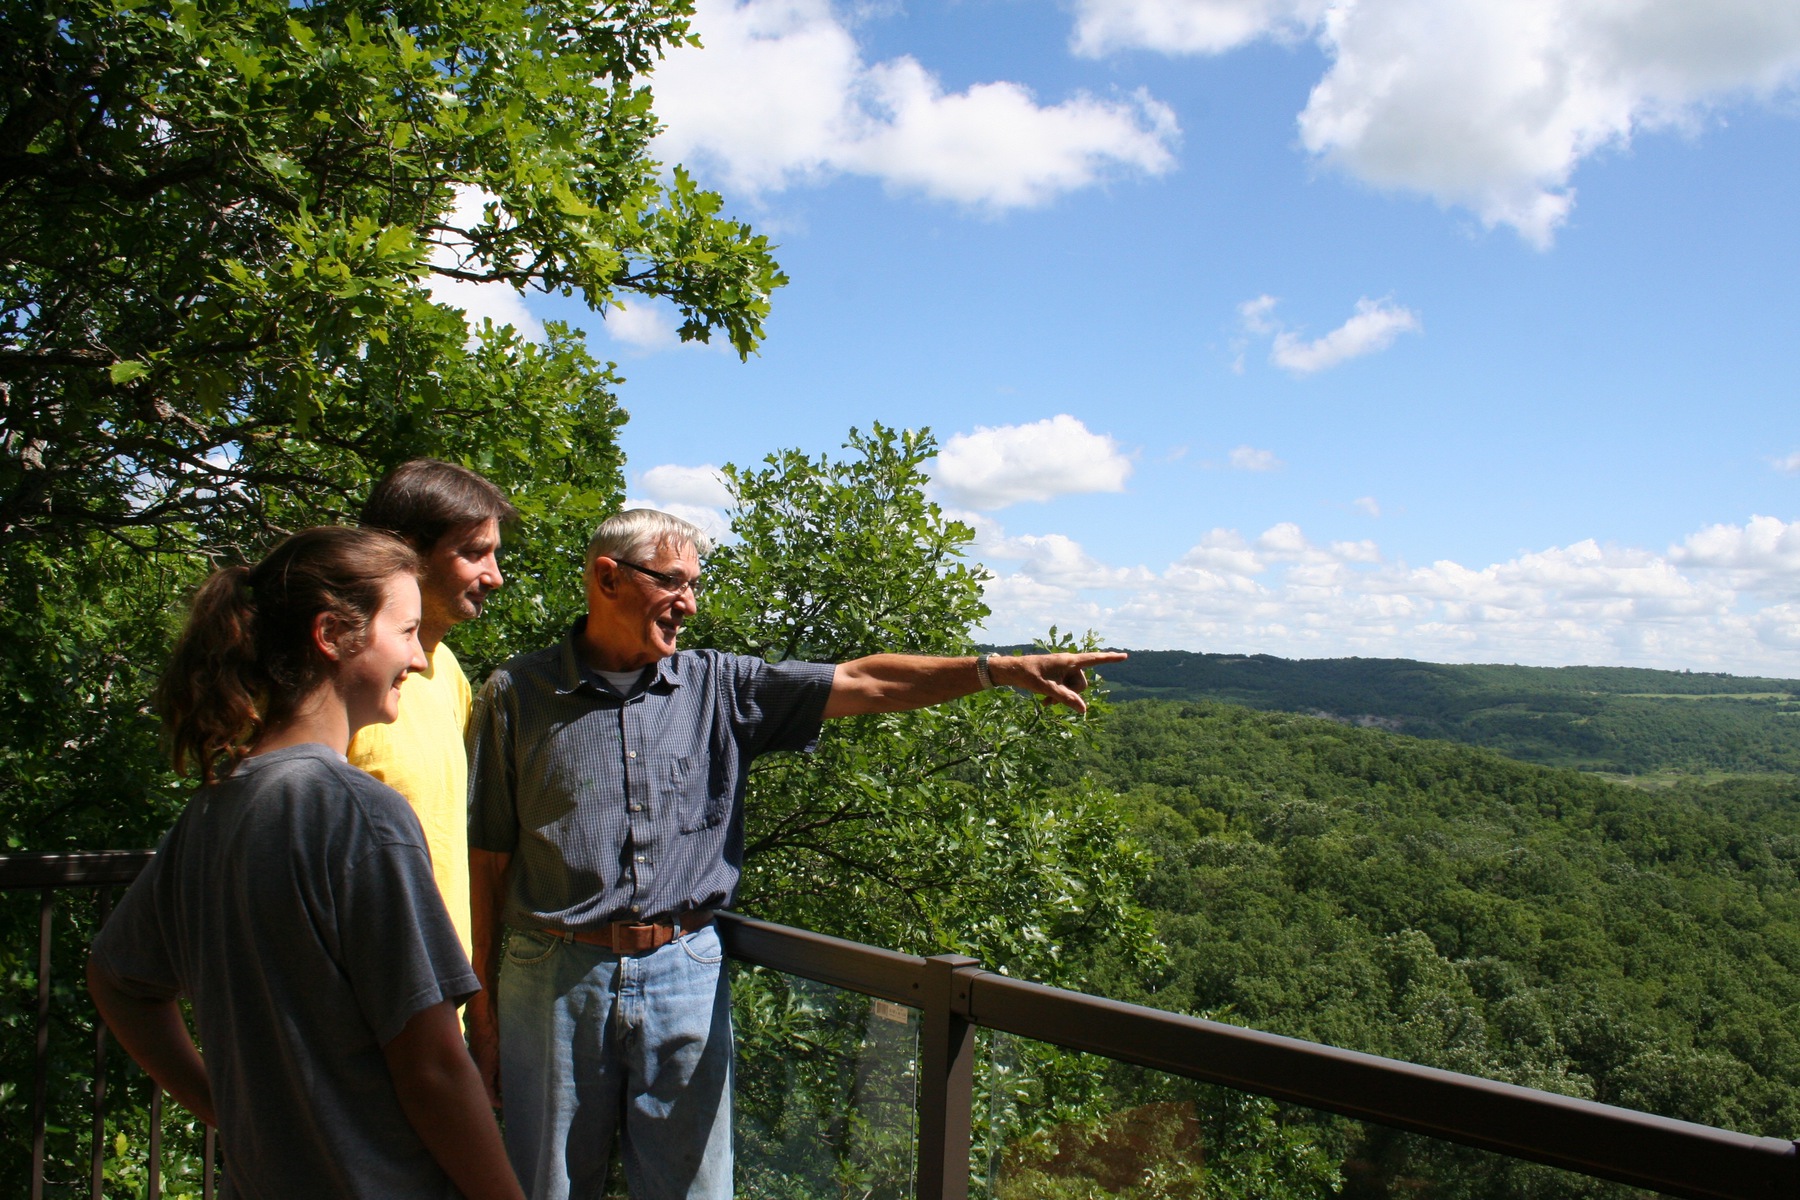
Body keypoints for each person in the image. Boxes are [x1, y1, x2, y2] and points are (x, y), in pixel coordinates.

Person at [465, 508, 1125, 1200]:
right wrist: (483, 1015)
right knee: (542, 1188)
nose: (689, 603)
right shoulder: (518, 694)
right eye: (673, 583)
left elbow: (869, 682)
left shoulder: (717, 687)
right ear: (607, 578)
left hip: (685, 972)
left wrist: (1001, 670)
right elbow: (487, 863)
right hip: (549, 975)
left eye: (695, 583)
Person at [87, 526, 524, 1200]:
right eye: (406, 632)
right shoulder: (359, 814)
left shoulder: (217, 806)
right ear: (332, 636)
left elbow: (118, 980)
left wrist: (226, 1110)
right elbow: (433, 1067)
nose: (418, 659)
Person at [351, 458, 516, 963]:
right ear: (405, 555)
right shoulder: (340, 676)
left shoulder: (447, 672)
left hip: (440, 999)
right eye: (473, 554)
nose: (495, 577)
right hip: (369, 1013)